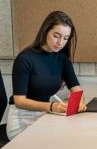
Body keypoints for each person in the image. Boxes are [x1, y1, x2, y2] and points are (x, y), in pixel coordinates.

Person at [7, 11, 86, 140]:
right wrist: (51, 106)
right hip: (22, 118)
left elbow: (76, 89)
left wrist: (79, 102)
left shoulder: (62, 58)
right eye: (56, 36)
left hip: (45, 114)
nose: (60, 42)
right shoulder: (25, 58)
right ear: (45, 32)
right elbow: (19, 101)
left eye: (65, 38)